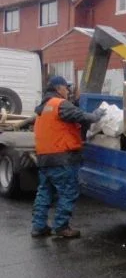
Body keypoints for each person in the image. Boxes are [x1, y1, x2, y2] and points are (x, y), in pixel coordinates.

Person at [31, 76, 106, 239]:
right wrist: (97, 114)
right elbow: (85, 117)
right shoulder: (60, 104)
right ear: (59, 88)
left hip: (44, 159)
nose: (68, 91)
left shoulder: (41, 108)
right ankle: (61, 226)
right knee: (68, 192)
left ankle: (39, 226)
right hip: (62, 158)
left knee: (44, 192)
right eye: (66, 88)